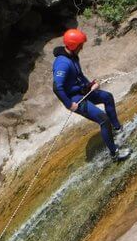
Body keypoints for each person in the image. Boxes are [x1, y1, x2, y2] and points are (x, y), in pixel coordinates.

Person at [52, 28, 131, 161]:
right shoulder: (62, 63)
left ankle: (117, 129)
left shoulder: (72, 56)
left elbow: (79, 76)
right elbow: (57, 87)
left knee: (107, 97)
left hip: (82, 91)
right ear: (73, 45)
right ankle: (115, 153)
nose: (82, 47)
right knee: (104, 120)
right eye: (80, 45)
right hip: (75, 98)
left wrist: (90, 85)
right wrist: (69, 104)